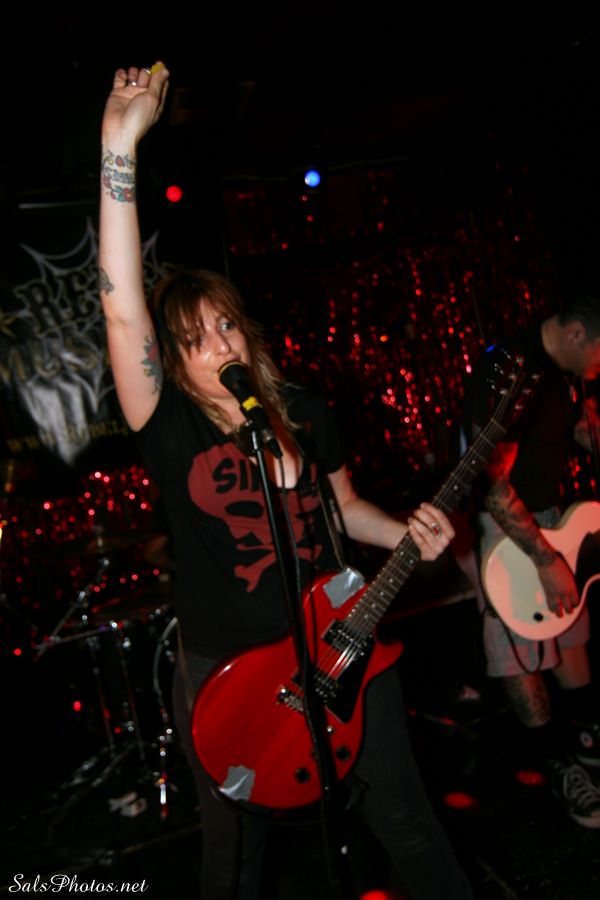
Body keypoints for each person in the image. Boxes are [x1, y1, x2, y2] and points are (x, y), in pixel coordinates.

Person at [98, 62, 474, 899]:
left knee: (409, 824)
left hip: (339, 643)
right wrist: (118, 145)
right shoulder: (170, 424)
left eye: (226, 324)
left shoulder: (302, 409)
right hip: (231, 670)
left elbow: (346, 508)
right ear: (172, 360)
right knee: (235, 864)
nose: (220, 343)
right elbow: (123, 311)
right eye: (196, 337)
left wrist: (409, 531)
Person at [466, 291, 600, 829]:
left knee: (568, 630)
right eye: (598, 352)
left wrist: (584, 430)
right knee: (520, 653)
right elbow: (490, 479)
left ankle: (589, 743)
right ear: (576, 334)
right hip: (507, 530)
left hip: (549, 515)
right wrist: (544, 557)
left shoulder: (563, 372)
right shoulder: (512, 371)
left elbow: (559, 432)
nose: (598, 365)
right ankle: (558, 765)